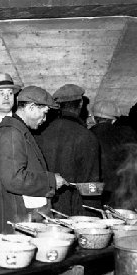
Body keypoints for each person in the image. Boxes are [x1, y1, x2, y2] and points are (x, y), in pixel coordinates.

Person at [0, 86, 68, 234]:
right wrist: (51, 181)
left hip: (25, 217)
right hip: (20, 220)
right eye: (44, 113)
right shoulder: (11, 133)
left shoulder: (19, 131)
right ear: (31, 107)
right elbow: (13, 179)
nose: (44, 120)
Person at [36, 84, 101, 215]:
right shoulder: (86, 136)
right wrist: (93, 217)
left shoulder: (40, 133)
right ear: (81, 104)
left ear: (58, 106)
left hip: (45, 210)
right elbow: (90, 186)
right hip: (75, 214)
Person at [89, 100, 137, 207]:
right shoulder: (127, 134)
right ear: (113, 120)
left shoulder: (88, 135)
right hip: (122, 191)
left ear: (94, 118)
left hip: (94, 191)